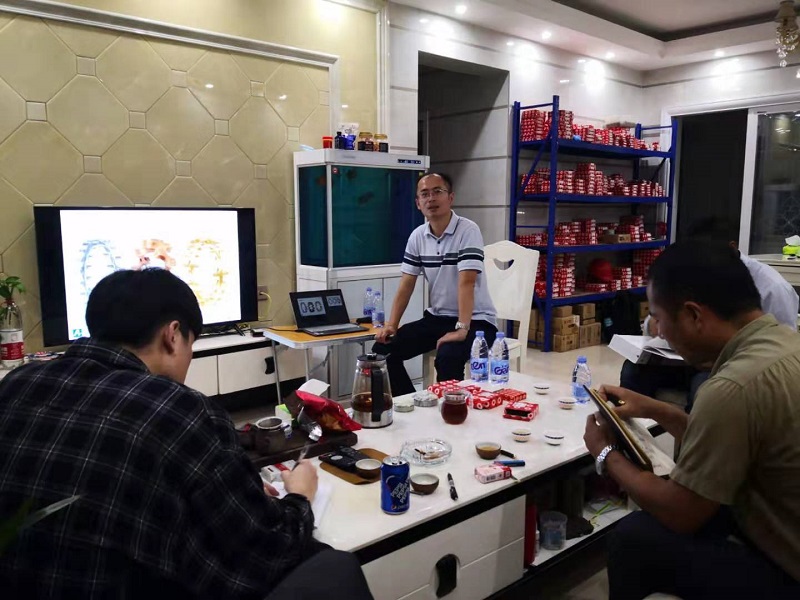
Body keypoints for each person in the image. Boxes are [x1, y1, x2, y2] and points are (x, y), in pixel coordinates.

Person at [0, 269, 338, 599]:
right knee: (331, 567)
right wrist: (300, 495)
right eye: (192, 343)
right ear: (172, 334)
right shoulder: (180, 409)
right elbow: (268, 549)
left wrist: (235, 489)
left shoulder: (16, 383)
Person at [584, 242, 800, 600]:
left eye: (659, 318)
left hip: (786, 572)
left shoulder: (732, 387)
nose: (659, 332)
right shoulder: (783, 343)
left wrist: (606, 454)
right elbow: (731, 442)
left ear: (693, 316)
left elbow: (680, 511)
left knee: (633, 538)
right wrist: (658, 410)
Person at [619, 216, 799, 408]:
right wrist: (655, 324)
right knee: (634, 369)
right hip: (689, 357)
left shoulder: (773, 288)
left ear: (731, 248)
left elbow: (776, 350)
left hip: (731, 365)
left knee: (704, 386)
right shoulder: (693, 272)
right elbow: (658, 316)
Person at [372, 173, 497, 395]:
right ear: (418, 203)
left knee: (448, 356)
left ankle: (451, 410)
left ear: (451, 197)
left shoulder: (468, 230)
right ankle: (412, 403)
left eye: (438, 191)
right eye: (424, 194)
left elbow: (467, 282)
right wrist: (392, 324)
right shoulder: (417, 236)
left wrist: (462, 328)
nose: (431, 198)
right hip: (438, 318)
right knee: (382, 352)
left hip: (476, 321)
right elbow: (406, 284)